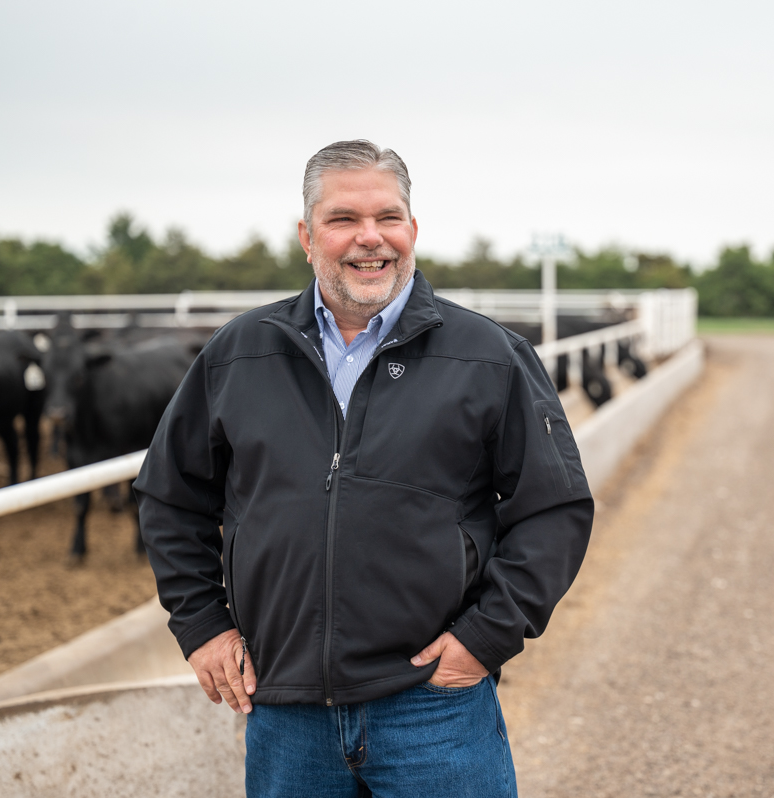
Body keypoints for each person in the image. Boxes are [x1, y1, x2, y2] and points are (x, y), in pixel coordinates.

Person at [133, 140, 594, 797]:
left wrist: (485, 637)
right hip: (285, 708)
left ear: (413, 230)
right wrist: (203, 626)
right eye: (343, 218)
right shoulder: (240, 352)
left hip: (433, 704)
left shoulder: (489, 356)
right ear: (306, 235)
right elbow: (169, 497)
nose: (369, 239)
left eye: (389, 217)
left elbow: (554, 510)